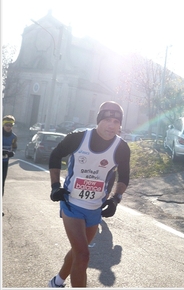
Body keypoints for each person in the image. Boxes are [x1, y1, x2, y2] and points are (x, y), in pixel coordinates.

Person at [48, 101, 131, 288]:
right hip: (72, 204)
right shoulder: (78, 138)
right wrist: (55, 186)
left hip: (95, 208)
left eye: (117, 122)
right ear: (99, 120)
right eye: (108, 119)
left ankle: (57, 282)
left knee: (78, 252)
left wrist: (116, 199)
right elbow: (55, 155)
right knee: (84, 255)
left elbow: (124, 176)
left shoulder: (122, 147)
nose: (112, 125)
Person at [2, 115, 18, 216]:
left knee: (1, 184)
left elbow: (14, 148)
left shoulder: (14, 137)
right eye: (7, 125)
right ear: (3, 125)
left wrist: (12, 153)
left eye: (11, 125)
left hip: (4, 162)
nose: (9, 127)